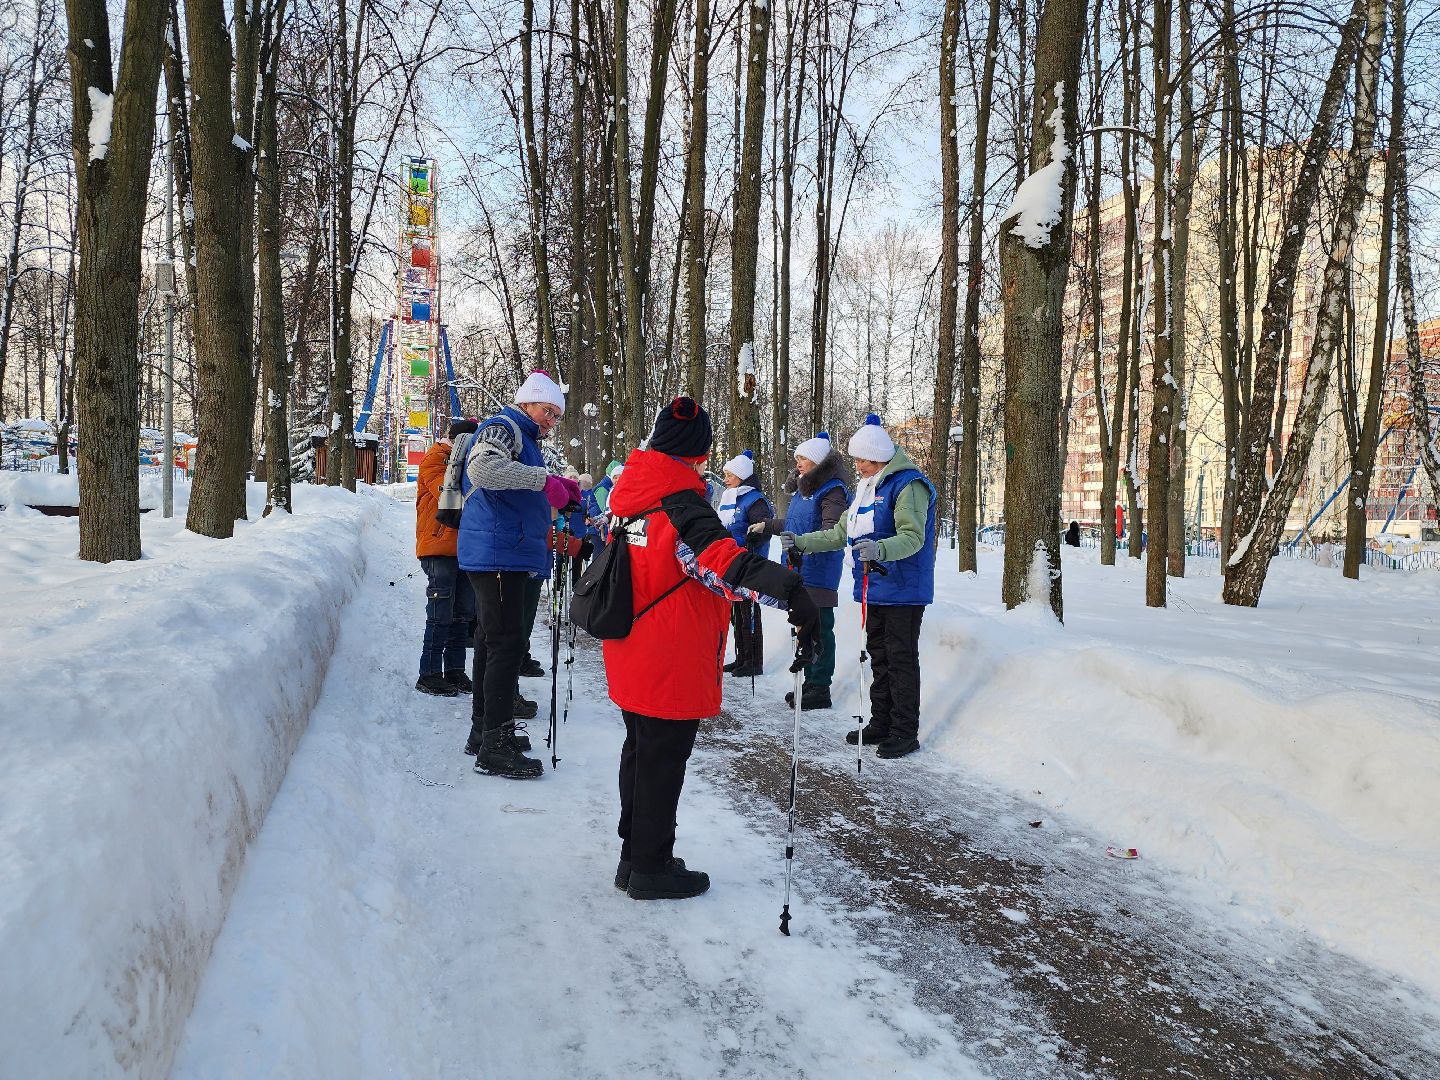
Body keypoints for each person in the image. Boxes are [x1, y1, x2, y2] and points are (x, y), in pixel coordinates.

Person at [604, 397, 818, 900]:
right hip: (669, 650)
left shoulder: (631, 493)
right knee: (661, 759)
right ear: (697, 455)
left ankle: (635, 857)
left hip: (634, 643)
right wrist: (790, 591)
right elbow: (722, 564)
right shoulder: (681, 503)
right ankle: (651, 868)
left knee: (639, 751)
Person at [783, 414, 936, 760]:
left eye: (863, 459)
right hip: (876, 587)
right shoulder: (870, 487)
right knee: (878, 656)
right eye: (856, 460)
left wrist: (880, 549)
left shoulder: (907, 485)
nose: (858, 466)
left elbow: (912, 538)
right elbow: (841, 533)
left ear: (880, 455)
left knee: (899, 659)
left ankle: (903, 730)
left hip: (904, 589)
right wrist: (802, 542)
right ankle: (881, 721)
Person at [459, 371, 581, 779]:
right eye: (548, 411)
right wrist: (546, 481)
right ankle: (495, 742)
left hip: (502, 552)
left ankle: (484, 731)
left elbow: (516, 484)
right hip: (498, 554)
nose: (550, 421)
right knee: (506, 645)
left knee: (492, 643)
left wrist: (555, 485)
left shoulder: (523, 435)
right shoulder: (504, 426)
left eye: (556, 417)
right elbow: (485, 472)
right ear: (528, 402)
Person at [752, 432, 850, 711]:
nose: (798, 463)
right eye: (796, 458)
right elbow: (794, 522)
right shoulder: (803, 491)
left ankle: (820, 686)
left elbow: (831, 529)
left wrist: (802, 543)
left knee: (820, 627)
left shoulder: (832, 491)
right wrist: (767, 526)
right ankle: (809, 680)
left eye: (803, 458)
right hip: (797, 565)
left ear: (818, 461)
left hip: (819, 568)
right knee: (804, 625)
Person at [414, 419, 479, 697]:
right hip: (438, 548)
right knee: (440, 614)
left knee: (462, 616)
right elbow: (448, 493)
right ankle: (428, 674)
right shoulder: (435, 459)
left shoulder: (462, 462)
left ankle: (454, 671)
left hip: (463, 549)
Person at [717, 450, 773, 678]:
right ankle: (741, 656)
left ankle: (753, 661)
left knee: (749, 610)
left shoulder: (755, 499)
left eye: (730, 474)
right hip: (732, 561)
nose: (726, 479)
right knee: (736, 611)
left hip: (750, 561)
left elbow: (763, 528)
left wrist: (749, 539)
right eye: (725, 474)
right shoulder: (731, 497)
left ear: (741, 476)